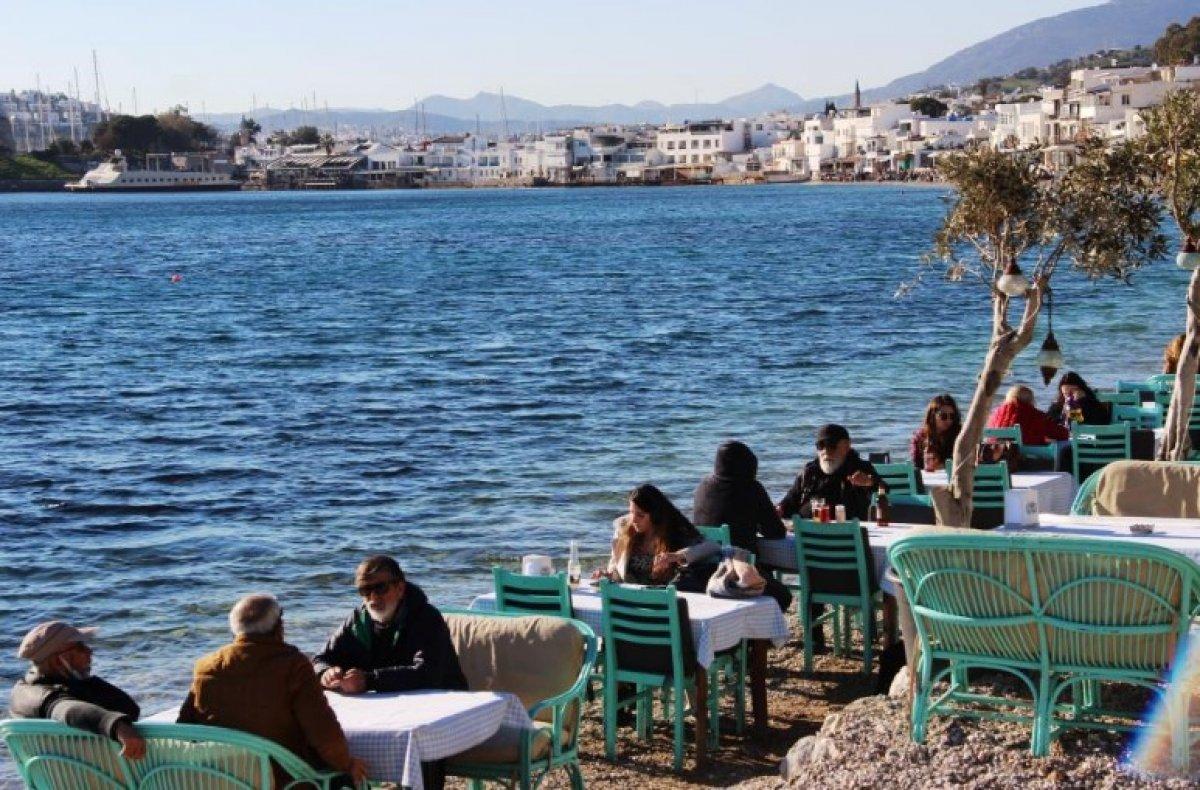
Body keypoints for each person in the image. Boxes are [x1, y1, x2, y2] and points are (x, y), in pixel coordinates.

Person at [178, 594, 367, 787]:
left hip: (223, 780)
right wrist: (346, 763)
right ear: (279, 628)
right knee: (346, 778)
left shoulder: (206, 667)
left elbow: (184, 730)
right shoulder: (292, 665)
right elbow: (324, 734)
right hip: (284, 782)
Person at [313, 555, 467, 696]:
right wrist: (326, 673)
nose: (373, 598)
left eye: (380, 588)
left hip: (444, 700)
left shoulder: (426, 617)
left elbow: (428, 673)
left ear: (400, 588)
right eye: (365, 590)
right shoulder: (357, 620)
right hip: (386, 704)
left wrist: (369, 680)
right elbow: (320, 659)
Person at [9, 620, 145, 759]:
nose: (89, 651)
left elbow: (130, 709)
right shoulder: (38, 696)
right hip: (96, 776)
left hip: (56, 776)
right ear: (58, 661)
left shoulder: (35, 688)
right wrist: (116, 726)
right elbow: (66, 709)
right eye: (80, 647)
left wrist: (85, 681)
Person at [692, 440, 793, 611]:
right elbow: (775, 532)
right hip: (737, 573)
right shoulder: (750, 488)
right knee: (783, 596)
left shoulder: (703, 486)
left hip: (703, 569)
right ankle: (756, 633)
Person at [597, 484, 721, 590]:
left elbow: (713, 546)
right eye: (631, 512)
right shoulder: (624, 531)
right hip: (630, 600)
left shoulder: (673, 533)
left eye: (640, 515)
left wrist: (678, 555)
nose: (633, 519)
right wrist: (607, 576)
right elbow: (617, 573)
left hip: (664, 603)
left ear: (655, 515)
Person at [777, 424, 885, 522]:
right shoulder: (808, 473)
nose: (825, 451)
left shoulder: (860, 468)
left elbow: (884, 492)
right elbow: (788, 505)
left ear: (847, 446)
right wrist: (779, 509)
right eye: (820, 446)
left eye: (831, 445)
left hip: (848, 535)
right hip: (808, 535)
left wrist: (869, 482)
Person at [987, 385, 1069, 446]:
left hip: (995, 455)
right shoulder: (1033, 414)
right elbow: (1062, 434)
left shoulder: (995, 414)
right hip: (1022, 457)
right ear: (1030, 400)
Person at [908, 394, 961, 472]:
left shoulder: (959, 435)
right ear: (933, 416)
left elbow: (964, 463)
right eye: (943, 416)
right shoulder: (920, 437)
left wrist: (942, 466)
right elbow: (915, 466)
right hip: (928, 480)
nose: (948, 420)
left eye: (952, 416)